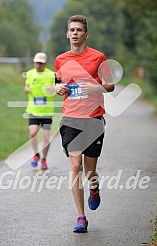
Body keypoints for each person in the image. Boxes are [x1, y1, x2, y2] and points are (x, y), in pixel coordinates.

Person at [54, 15, 114, 233]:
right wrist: (57, 89)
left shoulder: (98, 57)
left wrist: (95, 88)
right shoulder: (61, 59)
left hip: (93, 119)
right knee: (75, 166)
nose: (75, 33)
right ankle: (81, 217)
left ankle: (94, 189)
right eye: (72, 30)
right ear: (67, 33)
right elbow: (58, 84)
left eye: (79, 30)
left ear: (86, 34)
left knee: (90, 172)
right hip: (70, 118)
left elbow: (110, 86)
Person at [24, 52, 55, 170]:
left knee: (46, 138)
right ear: (34, 62)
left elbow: (55, 90)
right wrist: (26, 89)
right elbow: (26, 86)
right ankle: (36, 154)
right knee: (32, 133)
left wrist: (52, 89)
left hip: (47, 111)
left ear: (45, 63)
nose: (38, 65)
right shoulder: (30, 74)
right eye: (37, 63)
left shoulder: (51, 75)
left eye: (41, 63)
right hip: (33, 110)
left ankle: (44, 159)